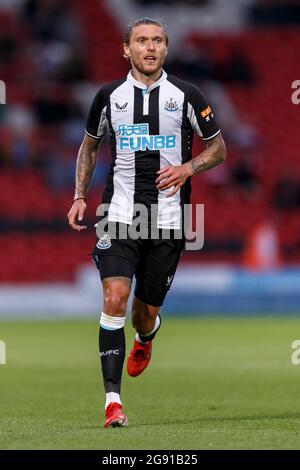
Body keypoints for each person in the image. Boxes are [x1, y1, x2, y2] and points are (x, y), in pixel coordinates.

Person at [67, 18, 226, 428]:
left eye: (157, 41)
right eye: (142, 41)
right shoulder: (109, 97)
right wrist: (80, 196)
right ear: (126, 49)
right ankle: (112, 402)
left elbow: (219, 149)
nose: (150, 47)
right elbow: (89, 146)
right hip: (119, 217)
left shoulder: (187, 95)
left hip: (169, 222)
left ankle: (147, 337)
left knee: (143, 313)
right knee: (114, 297)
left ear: (166, 49)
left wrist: (187, 168)